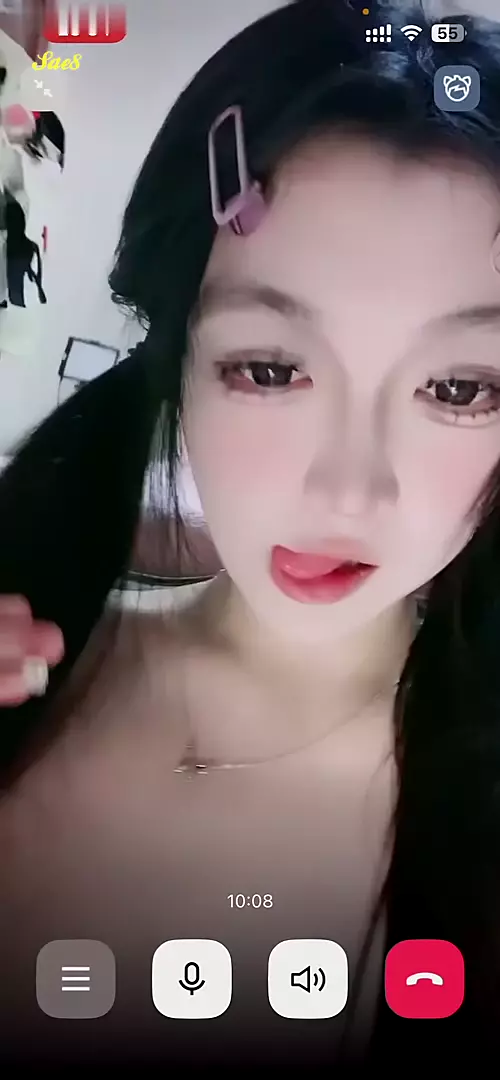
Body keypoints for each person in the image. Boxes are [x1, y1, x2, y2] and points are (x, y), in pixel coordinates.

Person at [0, 0, 499, 1069]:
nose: (349, 491)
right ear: (178, 357)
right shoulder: (27, 652)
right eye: (269, 369)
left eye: (459, 389)